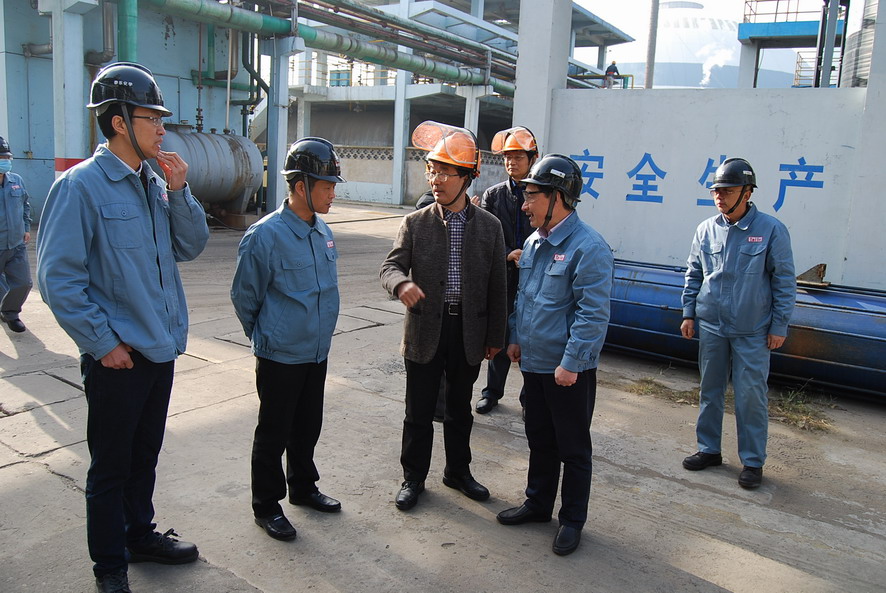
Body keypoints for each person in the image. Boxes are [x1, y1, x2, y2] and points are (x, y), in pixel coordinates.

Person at [36, 62, 209, 593]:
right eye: (151, 118)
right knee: (110, 468)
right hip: (119, 357)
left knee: (144, 456)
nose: (162, 128)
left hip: (159, 349)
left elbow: (190, 247)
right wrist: (102, 343)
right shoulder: (80, 187)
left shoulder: (155, 182)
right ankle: (109, 566)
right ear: (118, 122)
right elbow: (58, 279)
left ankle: (139, 535)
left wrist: (180, 191)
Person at [380, 121, 507, 511]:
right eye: (432, 171)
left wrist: (495, 338)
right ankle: (413, 478)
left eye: (445, 172)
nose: (436, 180)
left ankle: (458, 472)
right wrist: (401, 284)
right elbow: (390, 267)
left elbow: (498, 286)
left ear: (467, 177)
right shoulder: (415, 223)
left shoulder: (490, 227)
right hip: (425, 328)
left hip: (467, 331)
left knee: (459, 410)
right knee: (417, 411)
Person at [497, 154, 613, 557]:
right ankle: (538, 503)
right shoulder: (534, 242)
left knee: (573, 447)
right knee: (540, 438)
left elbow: (592, 314)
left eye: (532, 197)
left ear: (558, 198)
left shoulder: (589, 248)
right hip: (533, 362)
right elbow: (525, 297)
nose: (524, 205)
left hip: (567, 370)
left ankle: (572, 520)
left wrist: (571, 363)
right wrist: (515, 337)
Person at [231, 137, 345, 542]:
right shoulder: (265, 235)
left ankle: (303, 487)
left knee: (307, 425)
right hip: (280, 355)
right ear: (300, 186)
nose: (332, 193)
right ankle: (266, 505)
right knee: (273, 432)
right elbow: (244, 296)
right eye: (326, 186)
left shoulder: (322, 231)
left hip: (316, 351)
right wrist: (267, 335)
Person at [680, 158, 795, 490]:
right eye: (717, 191)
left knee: (750, 397)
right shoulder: (706, 229)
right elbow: (694, 273)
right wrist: (688, 313)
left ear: (747, 193)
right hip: (712, 326)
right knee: (710, 391)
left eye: (728, 191)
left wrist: (779, 325)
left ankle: (753, 461)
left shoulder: (771, 230)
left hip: (752, 330)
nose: (720, 197)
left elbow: (784, 281)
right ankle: (709, 449)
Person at [474, 126, 537, 415]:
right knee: (499, 336)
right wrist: (507, 254)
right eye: (507, 157)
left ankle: (528, 399)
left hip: (534, 278)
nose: (511, 162)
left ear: (533, 159)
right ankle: (491, 393)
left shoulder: (540, 193)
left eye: (518, 157)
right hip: (504, 276)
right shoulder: (494, 194)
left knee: (528, 338)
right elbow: (484, 237)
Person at [0, 135, 32, 333]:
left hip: (16, 244)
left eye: (7, 157)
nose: (5, 161)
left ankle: (10, 312)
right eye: (1, 158)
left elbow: (25, 204)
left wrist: (26, 227)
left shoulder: (16, 181)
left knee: (23, 283)